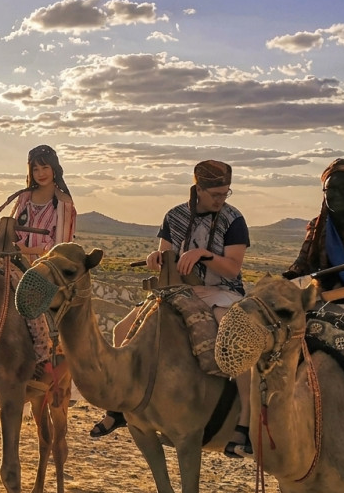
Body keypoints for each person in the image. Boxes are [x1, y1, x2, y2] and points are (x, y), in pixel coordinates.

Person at [90, 159, 253, 458]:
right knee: (122, 330)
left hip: (221, 291)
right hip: (177, 290)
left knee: (235, 339)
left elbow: (232, 268)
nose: (221, 199)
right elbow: (166, 255)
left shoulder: (233, 220)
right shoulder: (175, 216)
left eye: (225, 193)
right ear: (199, 189)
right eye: (216, 194)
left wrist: (203, 255)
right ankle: (120, 404)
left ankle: (246, 422)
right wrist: (156, 257)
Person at [0, 144, 76, 254]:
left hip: (46, 266)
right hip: (17, 261)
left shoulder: (63, 202)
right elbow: (16, 236)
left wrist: (27, 250)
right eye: (36, 169)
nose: (41, 174)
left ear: (54, 169)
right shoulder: (25, 197)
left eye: (45, 168)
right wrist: (7, 228)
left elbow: (61, 248)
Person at [283, 158, 344, 290]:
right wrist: (290, 277)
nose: (335, 195)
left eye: (343, 188)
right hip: (325, 296)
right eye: (330, 189)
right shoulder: (317, 226)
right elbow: (303, 262)